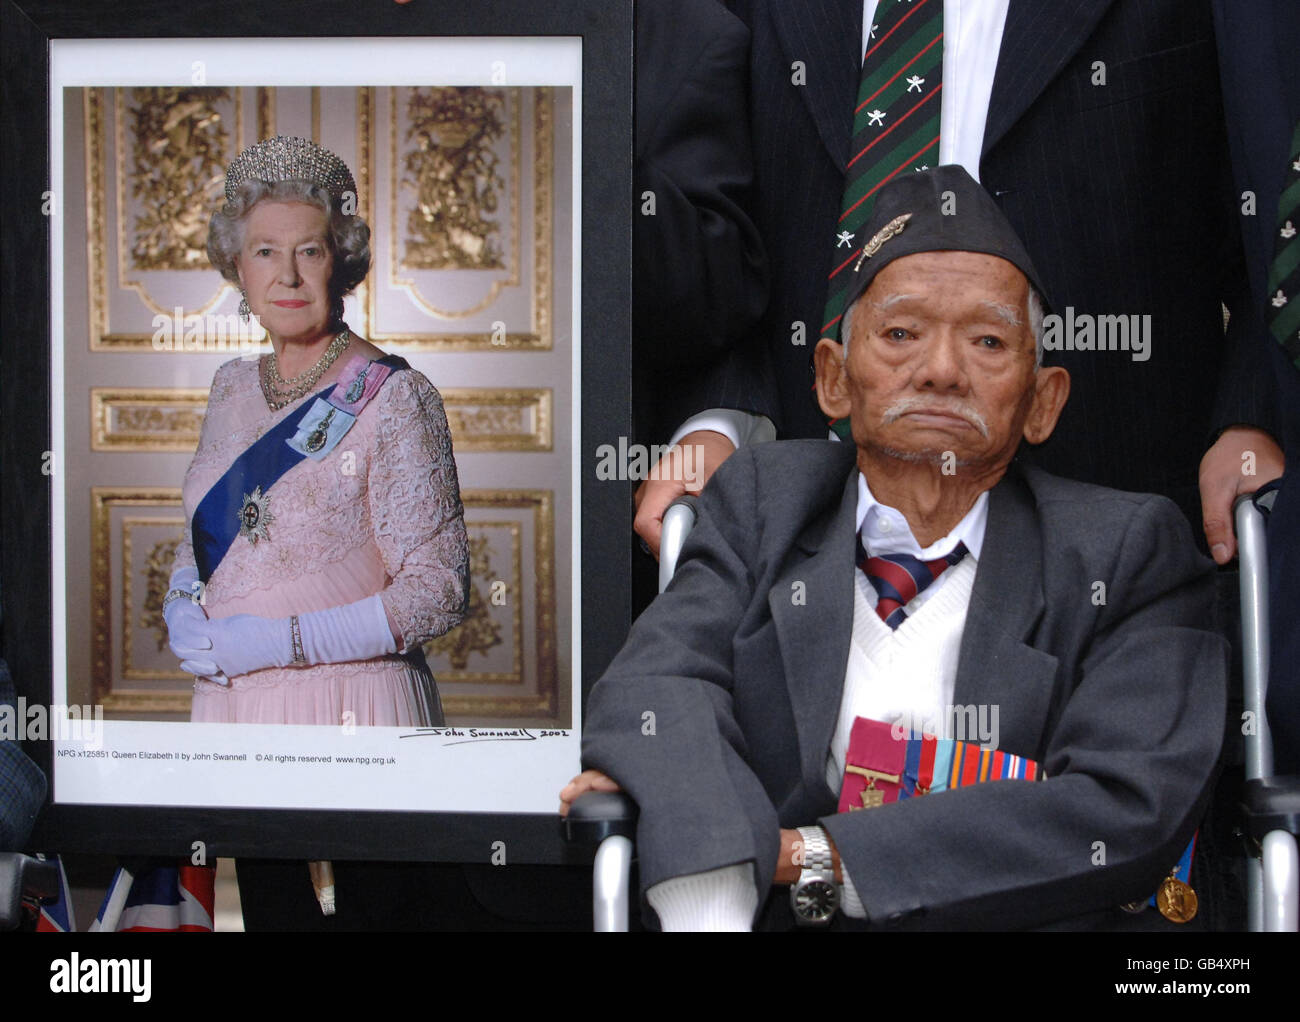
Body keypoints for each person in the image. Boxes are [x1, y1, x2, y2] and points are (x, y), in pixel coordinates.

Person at [565, 166, 1226, 930]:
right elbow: (655, 690)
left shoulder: (1124, 551)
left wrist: (808, 858)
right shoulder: (763, 503)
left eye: (987, 340)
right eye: (902, 333)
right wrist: (713, 889)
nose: (943, 371)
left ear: (1043, 402)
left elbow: (1124, 808)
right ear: (832, 379)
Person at [633, 0, 1284, 570]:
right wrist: (718, 421)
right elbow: (718, 238)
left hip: (1098, 571)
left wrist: (1252, 418)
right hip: (799, 560)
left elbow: (1272, 217)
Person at [164, 135, 469, 727]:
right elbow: (212, 531)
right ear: (237, 268)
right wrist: (181, 600)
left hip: (348, 706)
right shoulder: (231, 386)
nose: (287, 277)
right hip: (227, 703)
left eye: (309, 252)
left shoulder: (394, 395)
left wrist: (281, 644)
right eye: (264, 253)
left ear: (341, 262)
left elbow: (438, 592)